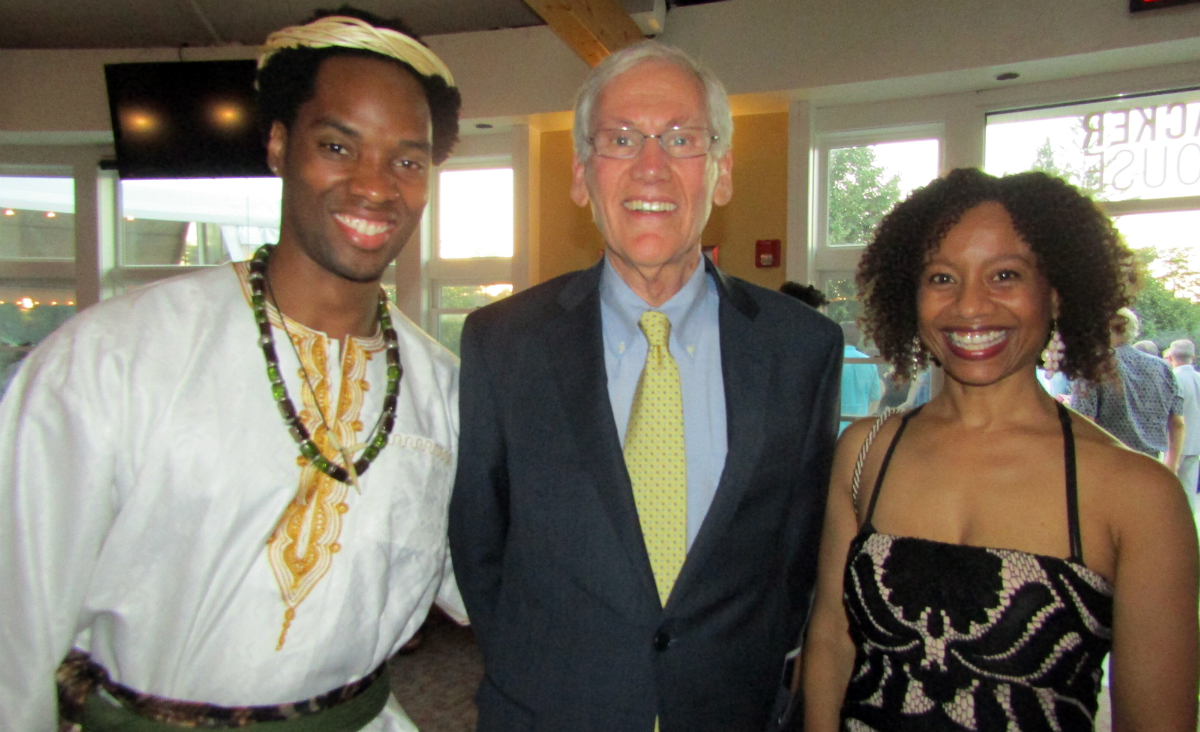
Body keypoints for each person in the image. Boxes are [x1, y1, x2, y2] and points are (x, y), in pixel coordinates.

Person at [0, 10, 465, 731]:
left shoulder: (442, 390)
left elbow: (496, 577)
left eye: (407, 161)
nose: (375, 187)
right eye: (338, 146)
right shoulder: (113, 359)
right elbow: (14, 629)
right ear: (279, 145)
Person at [449, 41, 841, 732]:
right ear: (582, 176)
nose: (651, 166)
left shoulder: (802, 348)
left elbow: (795, 560)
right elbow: (481, 548)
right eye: (622, 139)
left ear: (721, 173)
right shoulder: (502, 343)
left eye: (682, 138)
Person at [802, 168, 1199, 731]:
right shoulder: (866, 451)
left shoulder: (1136, 492)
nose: (970, 306)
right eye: (942, 277)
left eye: (1005, 275)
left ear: (1056, 293)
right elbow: (830, 642)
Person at [1072, 308, 1184, 470]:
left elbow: (1084, 424)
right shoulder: (1162, 368)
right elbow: (1177, 423)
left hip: (1108, 465)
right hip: (1151, 466)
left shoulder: (1092, 367)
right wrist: (1172, 465)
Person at [1166, 338, 1200, 509]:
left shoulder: (1172, 379)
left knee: (1167, 490)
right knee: (1188, 492)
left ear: (1170, 356)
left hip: (1174, 443)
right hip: (1196, 442)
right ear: (1193, 357)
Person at [839, 320, 882, 433]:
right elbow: (875, 396)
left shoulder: (834, 361)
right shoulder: (869, 363)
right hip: (859, 427)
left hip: (834, 426)